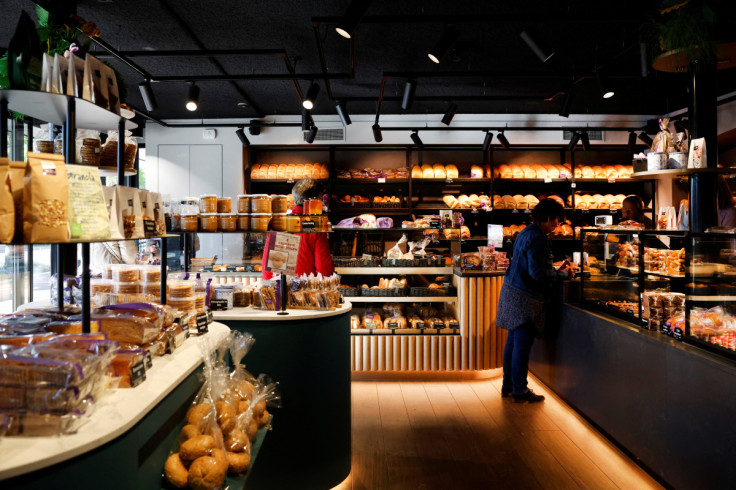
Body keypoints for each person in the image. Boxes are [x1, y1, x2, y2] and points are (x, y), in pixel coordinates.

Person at [496, 198, 569, 403]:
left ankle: (508, 386)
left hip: (512, 290)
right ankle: (520, 390)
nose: (556, 226)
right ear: (547, 218)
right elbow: (538, 274)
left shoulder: (525, 233)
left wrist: (553, 270)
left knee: (512, 343)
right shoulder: (539, 238)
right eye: (556, 221)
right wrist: (563, 275)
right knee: (521, 345)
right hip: (525, 298)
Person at [262, 178, 335, 279]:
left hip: (282, 290)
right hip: (308, 292)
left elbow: (268, 273)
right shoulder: (317, 227)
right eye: (320, 199)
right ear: (314, 202)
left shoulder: (279, 224)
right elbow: (324, 271)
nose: (322, 203)